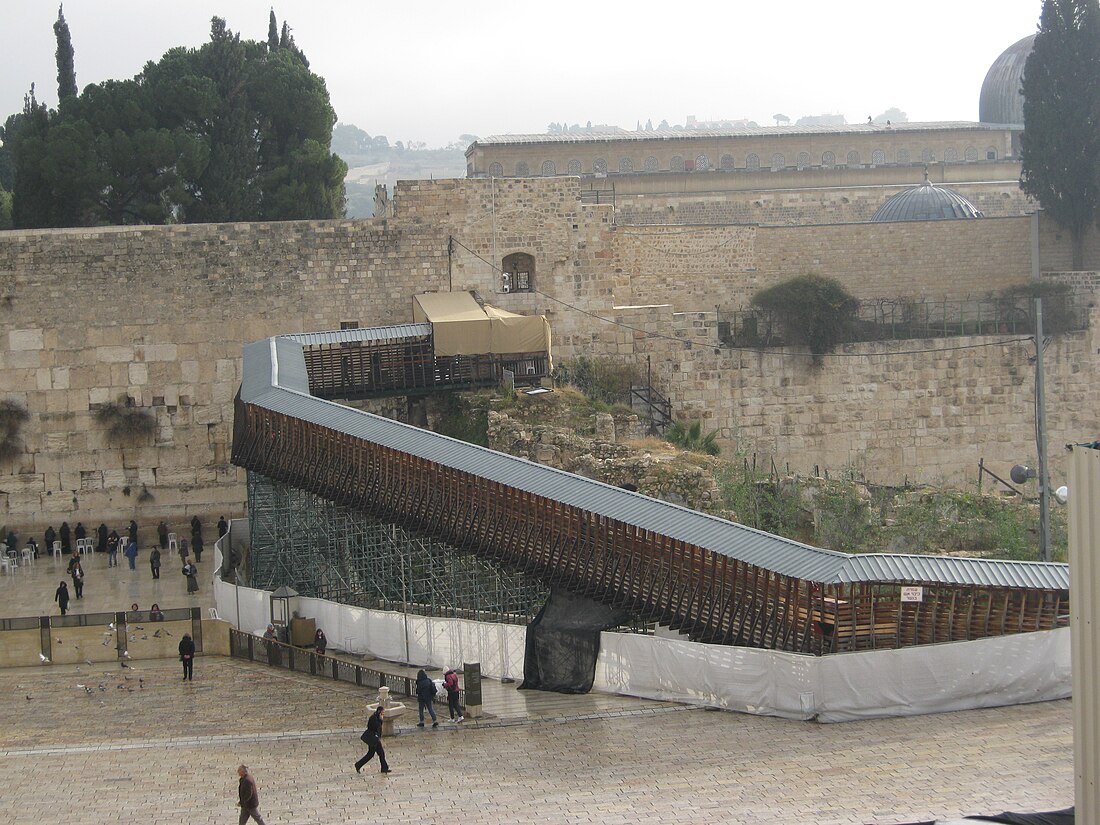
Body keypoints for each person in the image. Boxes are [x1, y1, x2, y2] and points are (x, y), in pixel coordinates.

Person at [354, 706, 392, 774]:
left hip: (375, 738)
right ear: (379, 712)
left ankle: (384, 767)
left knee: (378, 753)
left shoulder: (377, 718)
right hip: (372, 738)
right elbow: (375, 727)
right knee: (374, 754)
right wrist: (380, 720)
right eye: (382, 713)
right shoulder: (373, 718)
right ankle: (358, 765)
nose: (383, 715)